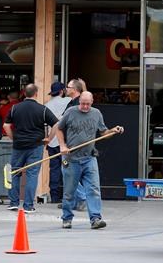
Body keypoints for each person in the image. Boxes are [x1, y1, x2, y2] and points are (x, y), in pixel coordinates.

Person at [54, 91, 124, 229]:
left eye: (88, 104)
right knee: (69, 191)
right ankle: (67, 218)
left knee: (93, 189)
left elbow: (103, 133)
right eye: (82, 103)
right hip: (71, 158)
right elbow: (59, 129)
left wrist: (113, 131)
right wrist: (62, 145)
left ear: (92, 102)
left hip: (89, 158)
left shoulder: (96, 113)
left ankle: (95, 218)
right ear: (79, 101)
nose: (85, 106)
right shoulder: (70, 112)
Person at [3, 84, 58, 213]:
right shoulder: (42, 109)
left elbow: (6, 126)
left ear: (24, 93)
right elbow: (56, 123)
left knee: (14, 173)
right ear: (36, 94)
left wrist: (14, 138)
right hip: (36, 146)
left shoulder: (15, 108)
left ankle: (13, 203)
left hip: (18, 146)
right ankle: (28, 206)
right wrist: (49, 138)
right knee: (32, 175)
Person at [61, 78, 88, 210]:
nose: (66, 89)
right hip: (68, 143)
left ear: (75, 90)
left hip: (74, 145)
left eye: (69, 87)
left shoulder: (79, 104)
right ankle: (73, 201)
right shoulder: (71, 103)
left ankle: (81, 198)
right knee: (69, 172)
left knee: (68, 172)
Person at [45, 81, 71, 203]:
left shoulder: (47, 105)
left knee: (54, 169)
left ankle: (54, 196)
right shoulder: (67, 101)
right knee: (67, 168)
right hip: (64, 142)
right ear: (62, 91)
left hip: (51, 142)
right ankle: (67, 196)